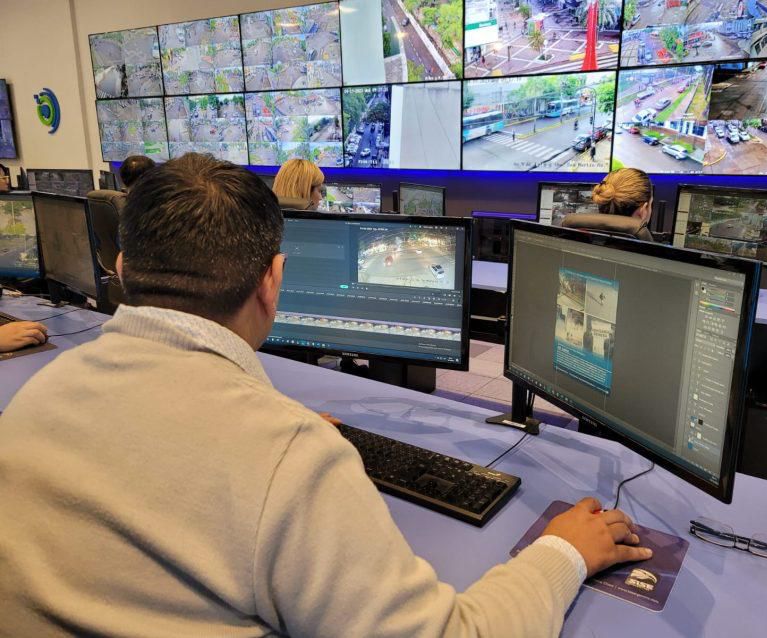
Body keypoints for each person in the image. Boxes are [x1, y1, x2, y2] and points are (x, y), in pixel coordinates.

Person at [0, 154, 650, 636]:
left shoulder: (40, 393)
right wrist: (563, 552)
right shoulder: (288, 458)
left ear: (120, 267)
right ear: (273, 280)